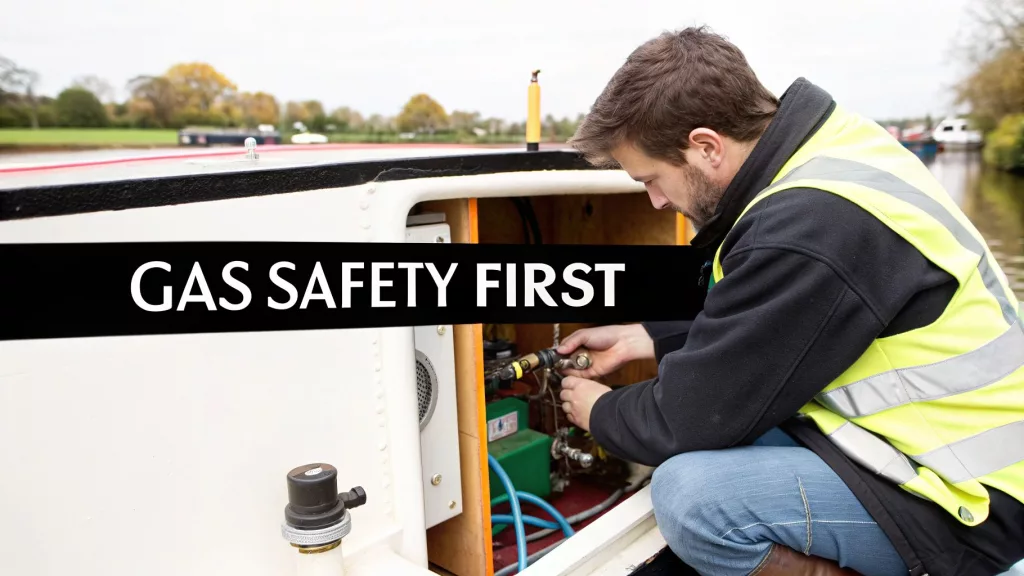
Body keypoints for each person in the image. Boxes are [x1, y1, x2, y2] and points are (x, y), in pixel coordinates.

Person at [554, 26, 1024, 576]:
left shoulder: (810, 224)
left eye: (653, 179)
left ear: (706, 146)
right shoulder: (832, 150)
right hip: (947, 449)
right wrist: (649, 337)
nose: (656, 201)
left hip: (968, 499)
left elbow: (696, 416)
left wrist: (600, 410)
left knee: (693, 497)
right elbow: (776, 316)